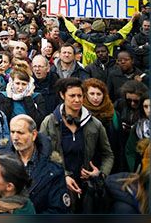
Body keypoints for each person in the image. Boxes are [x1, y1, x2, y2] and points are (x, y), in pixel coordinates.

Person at [39, 77, 114, 213]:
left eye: (80, 95)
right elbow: (41, 154)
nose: (77, 100)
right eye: (72, 96)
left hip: (87, 188)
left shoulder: (95, 124)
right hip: (58, 186)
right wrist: (64, 176)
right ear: (62, 95)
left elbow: (108, 154)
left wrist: (100, 174)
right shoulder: (49, 123)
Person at [6, 114, 70, 213]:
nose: (15, 137)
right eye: (12, 132)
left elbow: (58, 210)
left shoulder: (53, 169)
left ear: (34, 135)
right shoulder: (2, 163)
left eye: (20, 133)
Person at [82, 78, 123, 173]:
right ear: (85, 95)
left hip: (110, 163)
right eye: (92, 94)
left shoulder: (114, 115)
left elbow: (119, 145)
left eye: (99, 94)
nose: (95, 98)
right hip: (87, 165)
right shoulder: (80, 114)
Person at [125, 96, 150, 172]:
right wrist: (136, 170)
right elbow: (130, 152)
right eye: (145, 106)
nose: (149, 110)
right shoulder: (138, 128)